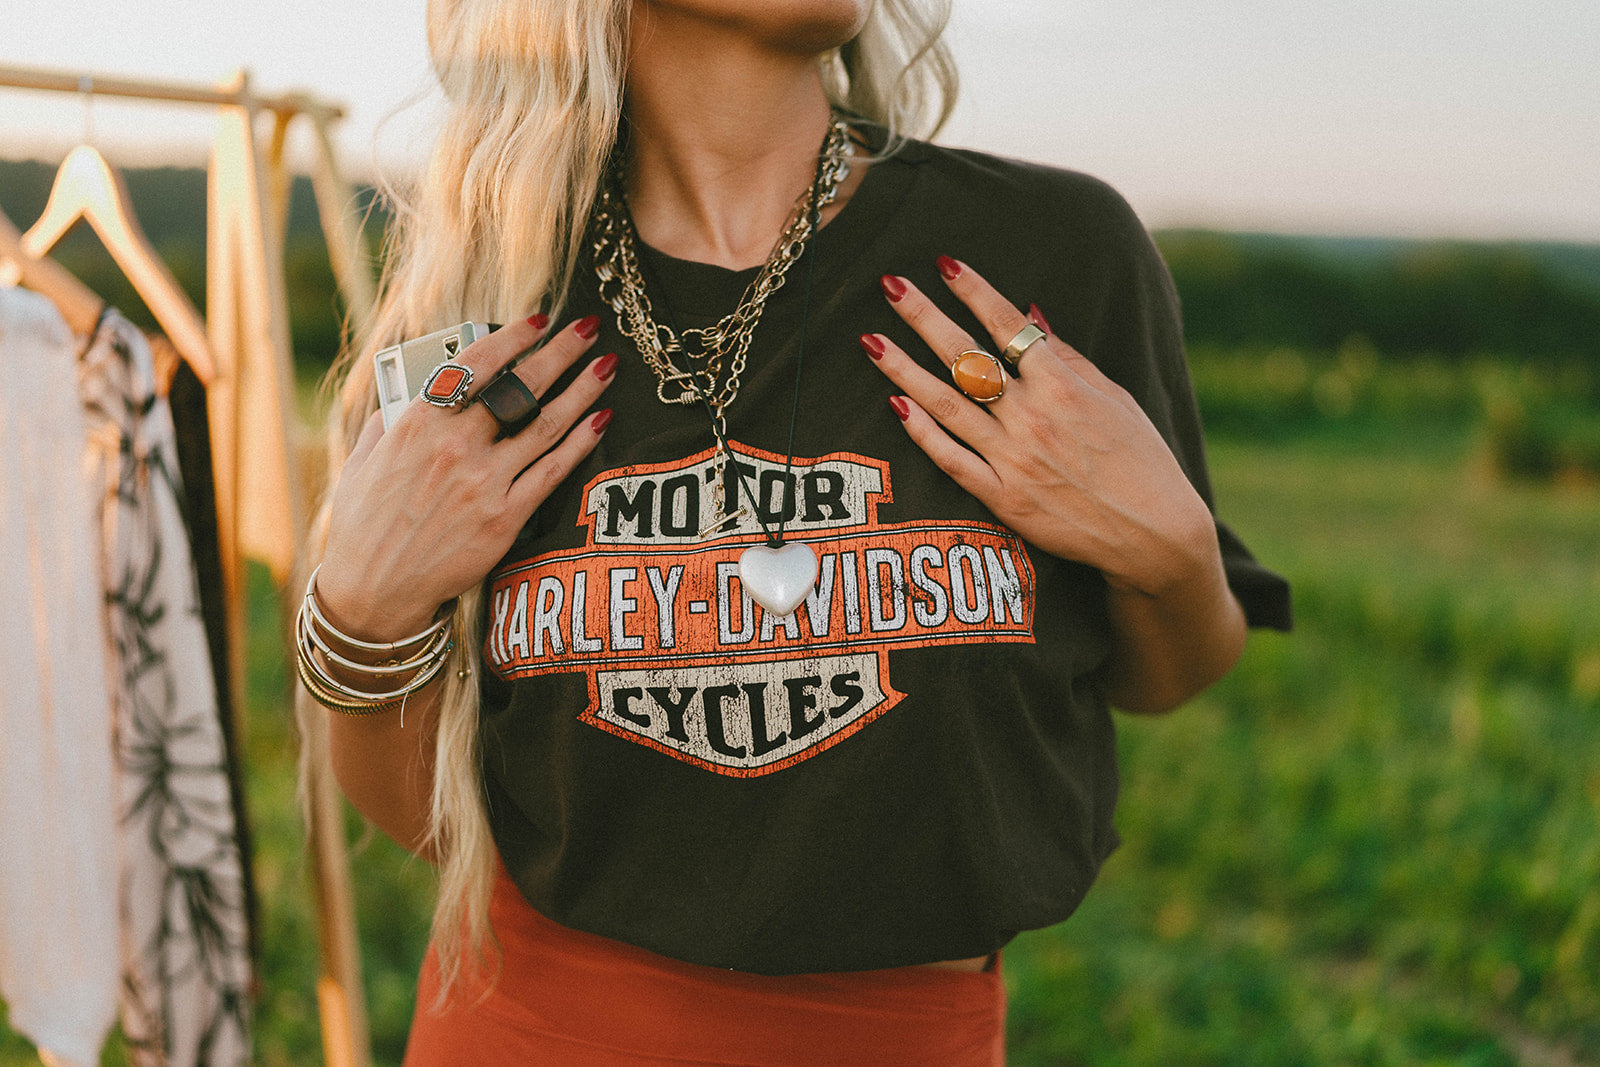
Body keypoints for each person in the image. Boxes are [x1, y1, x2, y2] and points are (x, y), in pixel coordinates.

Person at [300, 0, 1293, 1062]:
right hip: (530, 1024)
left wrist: (1174, 551)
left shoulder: (1046, 255)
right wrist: (360, 610)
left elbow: (1165, 673)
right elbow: (426, 816)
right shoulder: (494, 294)